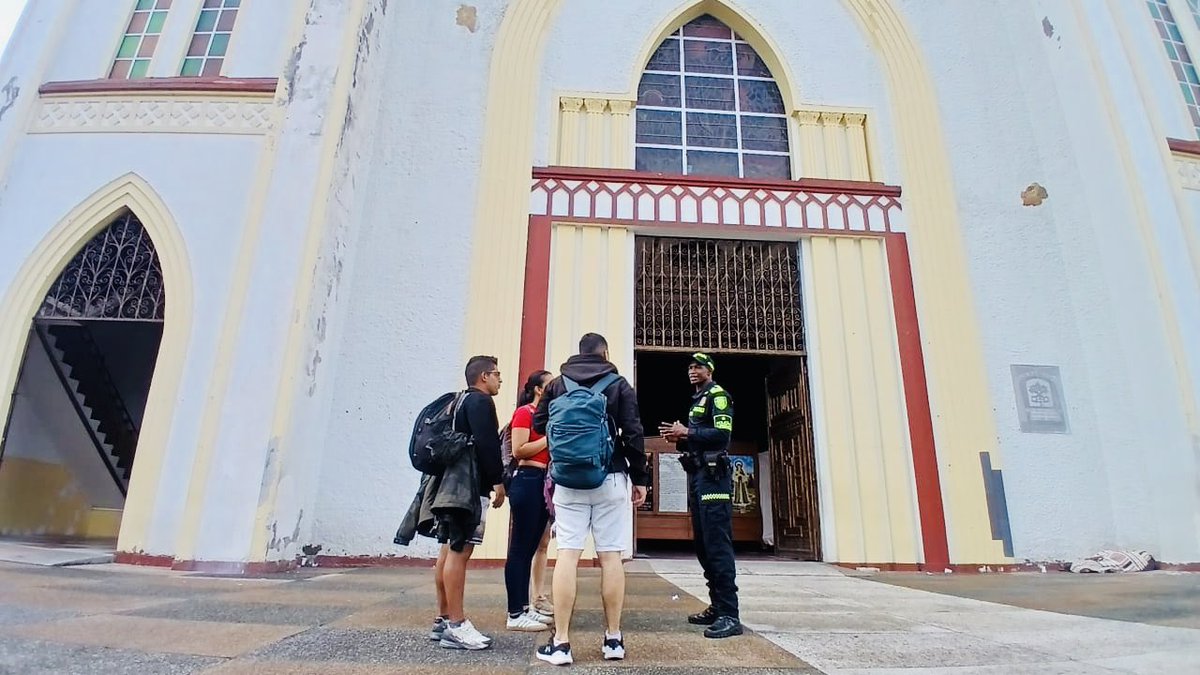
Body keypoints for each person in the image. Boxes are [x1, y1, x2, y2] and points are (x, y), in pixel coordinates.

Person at [532, 333, 648, 666]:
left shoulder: (556, 385)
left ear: (579, 353)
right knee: (611, 557)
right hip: (610, 477)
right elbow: (634, 432)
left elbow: (541, 424)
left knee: (567, 555)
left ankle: (562, 643)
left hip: (568, 480)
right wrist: (639, 479)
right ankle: (613, 640)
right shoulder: (619, 384)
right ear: (605, 353)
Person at [659, 353, 742, 639]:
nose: (693, 371)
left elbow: (722, 434)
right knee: (704, 545)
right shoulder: (699, 399)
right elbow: (699, 435)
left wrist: (688, 431)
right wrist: (681, 436)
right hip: (698, 476)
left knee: (717, 544)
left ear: (710, 370)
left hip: (714, 479)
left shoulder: (718, 396)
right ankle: (717, 606)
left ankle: (730, 614)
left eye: (699, 367)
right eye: (691, 367)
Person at [431, 355, 507, 650]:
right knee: (460, 552)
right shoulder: (481, 403)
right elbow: (488, 444)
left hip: (450, 486)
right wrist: (498, 481)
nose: (500, 380)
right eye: (497, 375)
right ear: (484, 376)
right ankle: (457, 624)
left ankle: (443, 618)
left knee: (447, 550)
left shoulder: (459, 402)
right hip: (469, 488)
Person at [504, 370, 556, 631]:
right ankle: (514, 613)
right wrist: (550, 438)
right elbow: (519, 449)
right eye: (550, 384)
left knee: (531, 546)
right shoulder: (525, 413)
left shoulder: (547, 416)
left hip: (544, 483)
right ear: (538, 389)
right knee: (519, 549)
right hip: (527, 478)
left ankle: (524, 607)